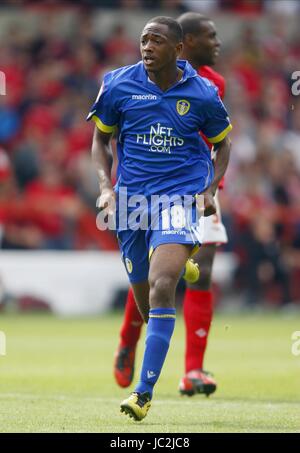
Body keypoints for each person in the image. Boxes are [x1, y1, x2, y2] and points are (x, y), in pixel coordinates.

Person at [88, 16, 232, 421]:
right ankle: (134, 341)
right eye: (142, 40)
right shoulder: (118, 84)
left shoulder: (203, 92)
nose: (147, 47)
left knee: (162, 283)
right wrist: (105, 185)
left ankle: (144, 392)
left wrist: (209, 191)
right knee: (149, 305)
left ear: (178, 48)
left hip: (180, 198)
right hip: (131, 202)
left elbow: (224, 145)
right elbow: (100, 139)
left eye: (155, 41)